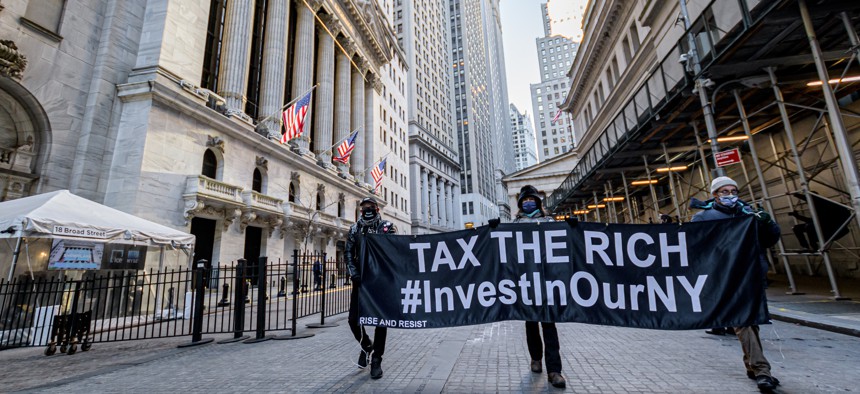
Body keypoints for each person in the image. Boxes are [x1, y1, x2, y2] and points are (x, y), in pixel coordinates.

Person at [690, 176, 781, 392]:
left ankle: (753, 366)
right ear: (715, 194)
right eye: (724, 191)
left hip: (751, 275)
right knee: (744, 321)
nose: (730, 195)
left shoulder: (749, 214)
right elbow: (695, 247)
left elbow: (769, 240)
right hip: (725, 277)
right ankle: (762, 371)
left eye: (733, 191)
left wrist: (767, 223)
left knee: (750, 322)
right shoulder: (703, 218)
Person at [513, 185, 566, 389]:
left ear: (538, 202)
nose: (528, 203)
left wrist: (572, 228)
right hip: (527, 281)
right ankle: (536, 358)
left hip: (547, 280)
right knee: (531, 323)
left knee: (549, 324)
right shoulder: (515, 223)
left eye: (532, 200)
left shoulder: (549, 222)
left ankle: (555, 371)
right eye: (525, 201)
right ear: (520, 205)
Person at [345, 196, 396, 379]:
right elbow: (348, 253)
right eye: (364, 207)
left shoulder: (387, 227)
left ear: (377, 209)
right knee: (353, 320)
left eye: (371, 207)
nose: (367, 209)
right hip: (360, 281)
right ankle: (367, 346)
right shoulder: (354, 229)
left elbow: (396, 249)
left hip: (380, 282)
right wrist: (354, 272)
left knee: (380, 322)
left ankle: (376, 360)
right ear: (360, 210)